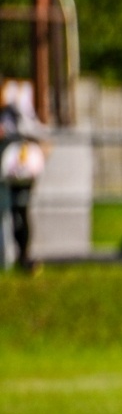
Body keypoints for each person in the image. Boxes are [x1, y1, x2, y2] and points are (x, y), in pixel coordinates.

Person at [1, 79, 43, 273]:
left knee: (20, 208)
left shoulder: (21, 95)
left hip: (17, 161)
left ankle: (23, 254)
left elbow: (34, 126)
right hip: (9, 157)